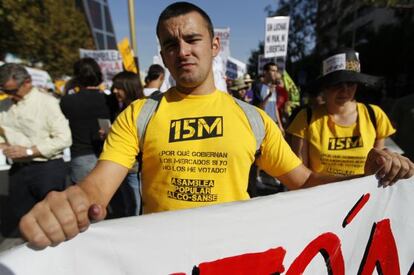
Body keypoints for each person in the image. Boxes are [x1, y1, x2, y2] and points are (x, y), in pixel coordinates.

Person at [19, 2, 414, 249]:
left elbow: (305, 182)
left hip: (234, 254)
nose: (183, 51)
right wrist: (68, 204)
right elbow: (96, 190)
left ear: (214, 45)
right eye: (171, 44)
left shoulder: (252, 118)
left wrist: (365, 177)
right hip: (163, 256)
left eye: (192, 39)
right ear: (162, 53)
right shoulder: (140, 114)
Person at [287, 49, 397, 176]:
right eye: (337, 83)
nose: (344, 90)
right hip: (321, 195)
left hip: (362, 195)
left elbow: (377, 170)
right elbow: (300, 177)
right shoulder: (305, 118)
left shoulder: (375, 115)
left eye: (350, 83)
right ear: (325, 86)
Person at [0, 63, 71, 236]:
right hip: (18, 171)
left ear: (27, 82)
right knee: (23, 219)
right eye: (5, 91)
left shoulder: (47, 103)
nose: (10, 96)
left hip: (47, 169)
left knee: (54, 219)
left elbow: (64, 138)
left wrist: (30, 151)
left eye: (13, 91)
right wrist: (4, 145)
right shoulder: (4, 106)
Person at [60, 58, 111, 184]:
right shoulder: (110, 100)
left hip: (81, 156)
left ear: (76, 77)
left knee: (83, 201)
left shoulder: (68, 101)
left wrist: (68, 88)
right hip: (108, 154)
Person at [108, 71, 144, 215]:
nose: (115, 91)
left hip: (135, 170)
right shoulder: (121, 108)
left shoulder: (142, 109)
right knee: (129, 206)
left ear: (129, 87)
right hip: (123, 169)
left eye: (119, 87)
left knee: (137, 208)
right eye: (114, 88)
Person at [252, 62, 285, 134]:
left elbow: (275, 107)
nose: (275, 73)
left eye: (276, 71)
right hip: (263, 125)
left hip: (274, 124)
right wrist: (269, 96)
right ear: (265, 72)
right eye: (273, 71)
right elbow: (258, 108)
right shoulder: (258, 87)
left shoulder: (274, 87)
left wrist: (280, 125)